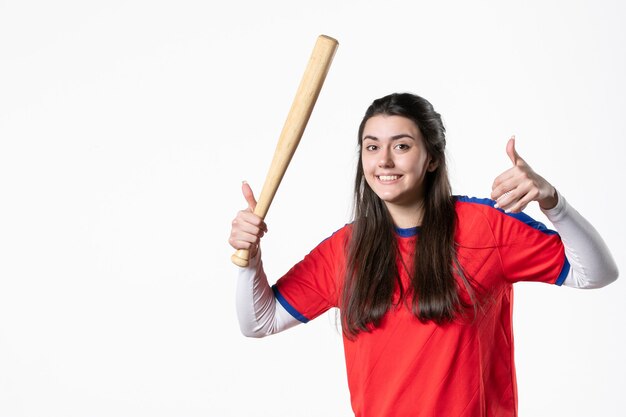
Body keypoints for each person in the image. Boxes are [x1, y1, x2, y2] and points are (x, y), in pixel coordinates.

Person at [228, 92, 618, 417]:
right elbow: (260, 321)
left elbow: (596, 273)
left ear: (431, 158)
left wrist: (553, 202)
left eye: (401, 146)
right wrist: (251, 257)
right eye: (372, 147)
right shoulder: (348, 248)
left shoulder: (484, 226)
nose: (384, 161)